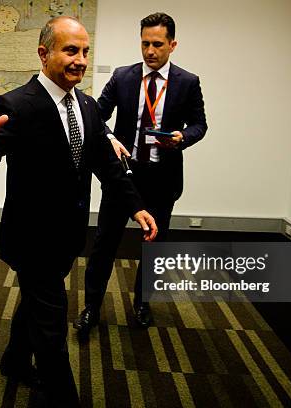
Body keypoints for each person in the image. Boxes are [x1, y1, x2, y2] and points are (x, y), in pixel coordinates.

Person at [0, 16, 157, 408]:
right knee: (53, 325)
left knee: (36, 304)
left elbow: (106, 165)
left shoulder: (88, 107)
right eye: (70, 50)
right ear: (44, 53)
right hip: (31, 238)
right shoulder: (16, 104)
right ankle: (62, 397)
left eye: (85, 51)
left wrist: (136, 206)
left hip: (67, 235)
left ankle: (14, 360)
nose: (80, 60)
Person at [74, 12, 207, 334]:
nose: (150, 51)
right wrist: (109, 138)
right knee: (105, 243)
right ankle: (91, 306)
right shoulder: (123, 77)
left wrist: (183, 138)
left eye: (157, 44)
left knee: (154, 245)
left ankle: (142, 303)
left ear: (172, 45)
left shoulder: (188, 82)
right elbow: (97, 116)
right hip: (124, 176)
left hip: (163, 178)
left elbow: (200, 124)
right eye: (145, 43)